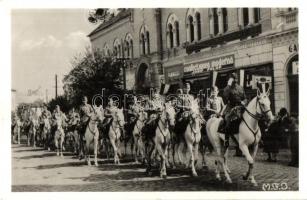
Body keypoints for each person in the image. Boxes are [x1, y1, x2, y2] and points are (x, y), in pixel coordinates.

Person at [223, 72, 247, 156]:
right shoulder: (228, 88)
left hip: (240, 108)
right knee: (227, 119)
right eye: (233, 78)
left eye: (235, 78)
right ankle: (226, 139)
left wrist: (244, 103)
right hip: (231, 107)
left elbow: (245, 98)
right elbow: (225, 97)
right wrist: (228, 86)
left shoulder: (240, 88)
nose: (234, 80)